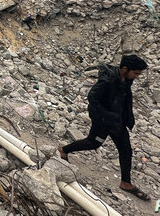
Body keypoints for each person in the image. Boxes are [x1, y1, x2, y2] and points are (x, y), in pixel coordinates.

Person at [58, 54, 150, 201]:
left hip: (118, 122)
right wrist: (102, 118)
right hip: (104, 121)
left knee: (125, 149)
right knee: (93, 143)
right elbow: (92, 97)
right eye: (136, 73)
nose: (137, 76)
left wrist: (127, 118)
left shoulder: (127, 79)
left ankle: (125, 182)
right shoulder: (107, 80)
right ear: (125, 68)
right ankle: (64, 149)